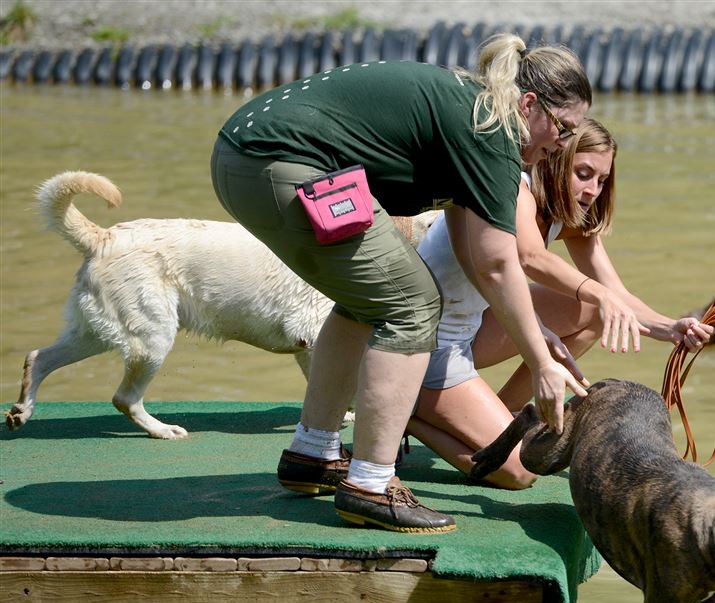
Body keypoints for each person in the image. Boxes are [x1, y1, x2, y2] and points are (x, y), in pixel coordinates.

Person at [210, 34, 591, 532]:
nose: (561, 146)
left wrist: (534, 334)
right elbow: (500, 264)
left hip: (245, 155)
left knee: (371, 297)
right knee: (412, 304)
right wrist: (540, 364)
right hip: (273, 161)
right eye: (562, 129)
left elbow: (482, 258)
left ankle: (313, 454)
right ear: (529, 104)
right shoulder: (493, 130)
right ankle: (370, 484)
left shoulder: (477, 111)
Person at [408, 118, 714, 489]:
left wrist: (671, 329)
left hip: (473, 327)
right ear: (555, 161)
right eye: (583, 174)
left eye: (602, 180)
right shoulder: (516, 188)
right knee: (520, 472)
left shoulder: (570, 216)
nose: (592, 191)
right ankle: (408, 410)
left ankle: (507, 414)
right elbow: (530, 257)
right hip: (426, 344)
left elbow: (616, 294)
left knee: (593, 314)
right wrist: (599, 294)